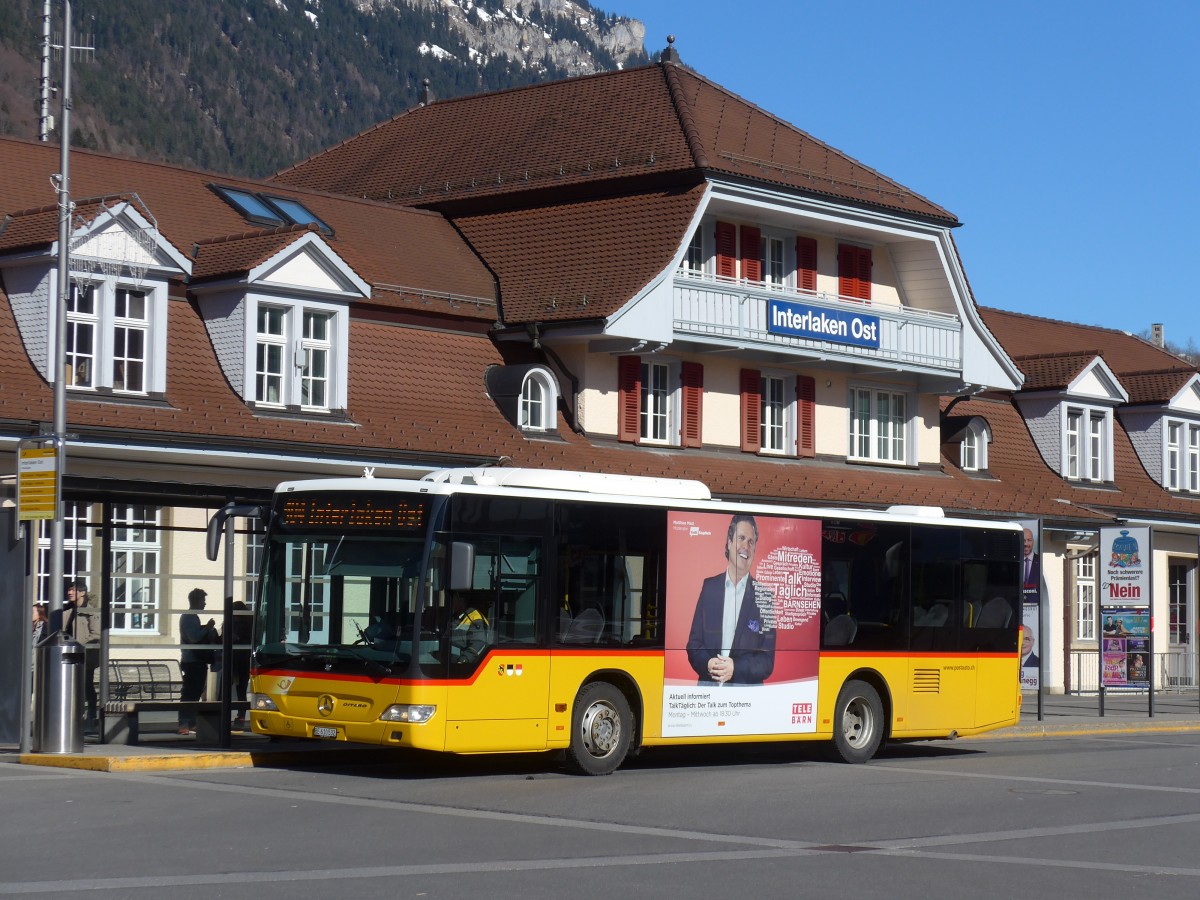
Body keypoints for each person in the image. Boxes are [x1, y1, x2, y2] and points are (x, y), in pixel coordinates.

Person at [685, 514, 776, 685]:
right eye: (741, 538)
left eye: (751, 542)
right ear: (729, 542)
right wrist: (708, 663)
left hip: (746, 698)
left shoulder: (764, 597)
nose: (746, 547)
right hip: (710, 693)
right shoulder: (709, 587)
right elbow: (694, 644)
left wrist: (735, 668)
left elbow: (767, 661)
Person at [46, 579, 102, 729]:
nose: (69, 592)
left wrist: (78, 646)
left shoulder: (91, 612)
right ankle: (71, 716)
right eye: (69, 590)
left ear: (82, 593)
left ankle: (90, 716)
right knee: (70, 686)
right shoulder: (67, 612)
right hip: (68, 655)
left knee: (86, 685)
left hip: (84, 655)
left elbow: (96, 635)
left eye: (73, 590)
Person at [179, 588, 218, 735]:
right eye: (203, 600)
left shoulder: (192, 617)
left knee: (195, 692)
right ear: (196, 601)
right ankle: (184, 723)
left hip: (196, 661)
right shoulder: (189, 617)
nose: (205, 603)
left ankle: (190, 722)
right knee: (190, 692)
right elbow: (194, 638)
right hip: (192, 661)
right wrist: (207, 628)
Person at [221, 600, 253, 731]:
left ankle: (226, 717)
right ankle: (240, 717)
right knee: (240, 691)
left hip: (234, 659)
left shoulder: (231, 623)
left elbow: (224, 636)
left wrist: (236, 638)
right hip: (241, 659)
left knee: (227, 689)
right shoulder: (248, 623)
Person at [447, 592, 490, 663]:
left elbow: (478, 643)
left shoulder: (476, 618)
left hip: (465, 665)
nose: (451, 601)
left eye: (453, 598)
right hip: (450, 661)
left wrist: (464, 660)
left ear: (462, 600)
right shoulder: (454, 617)